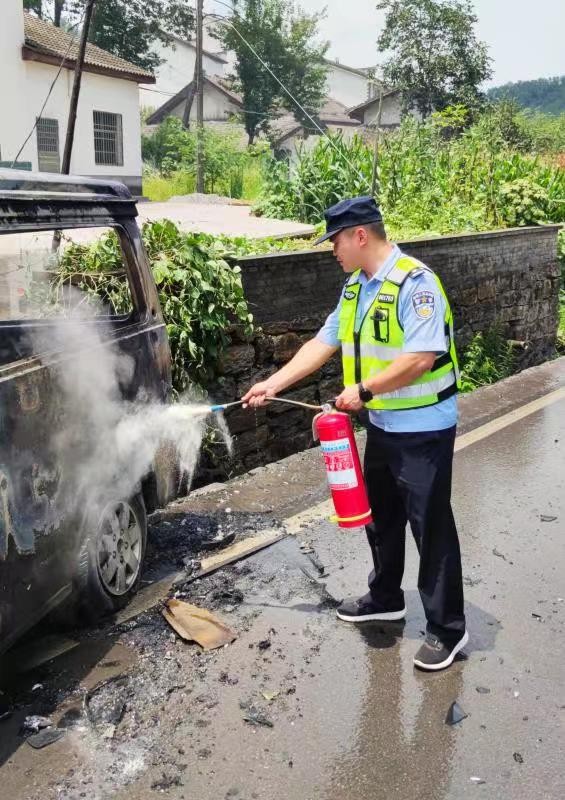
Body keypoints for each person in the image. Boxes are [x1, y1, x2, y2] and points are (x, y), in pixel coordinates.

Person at [242, 196, 467, 671]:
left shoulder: (416, 283)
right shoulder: (355, 289)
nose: (332, 251)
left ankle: (448, 629)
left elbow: (421, 358)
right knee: (380, 516)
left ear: (360, 235)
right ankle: (386, 595)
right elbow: (323, 343)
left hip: (424, 428)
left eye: (336, 241)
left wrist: (363, 389)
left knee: (431, 527)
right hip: (383, 425)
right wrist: (273, 383)